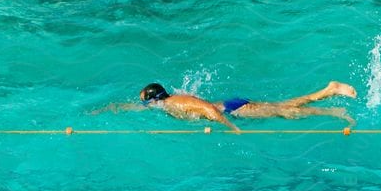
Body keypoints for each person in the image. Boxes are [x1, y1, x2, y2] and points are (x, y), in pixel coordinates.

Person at [101, 80, 359, 132]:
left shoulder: (174, 102)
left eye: (144, 102)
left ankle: (332, 108)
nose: (142, 105)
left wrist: (231, 128)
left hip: (234, 110)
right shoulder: (166, 103)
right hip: (231, 107)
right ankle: (328, 91)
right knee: (283, 107)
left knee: (287, 112)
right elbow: (135, 108)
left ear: (154, 99)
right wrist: (113, 109)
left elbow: (207, 109)